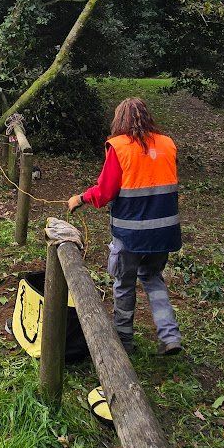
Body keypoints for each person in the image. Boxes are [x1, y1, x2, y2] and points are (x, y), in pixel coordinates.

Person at [68, 97, 183, 356]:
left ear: (119, 120)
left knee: (124, 283)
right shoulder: (167, 144)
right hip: (163, 233)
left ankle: (123, 340)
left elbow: (105, 192)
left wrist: (81, 198)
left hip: (130, 234)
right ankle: (170, 335)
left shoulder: (119, 147)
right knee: (153, 278)